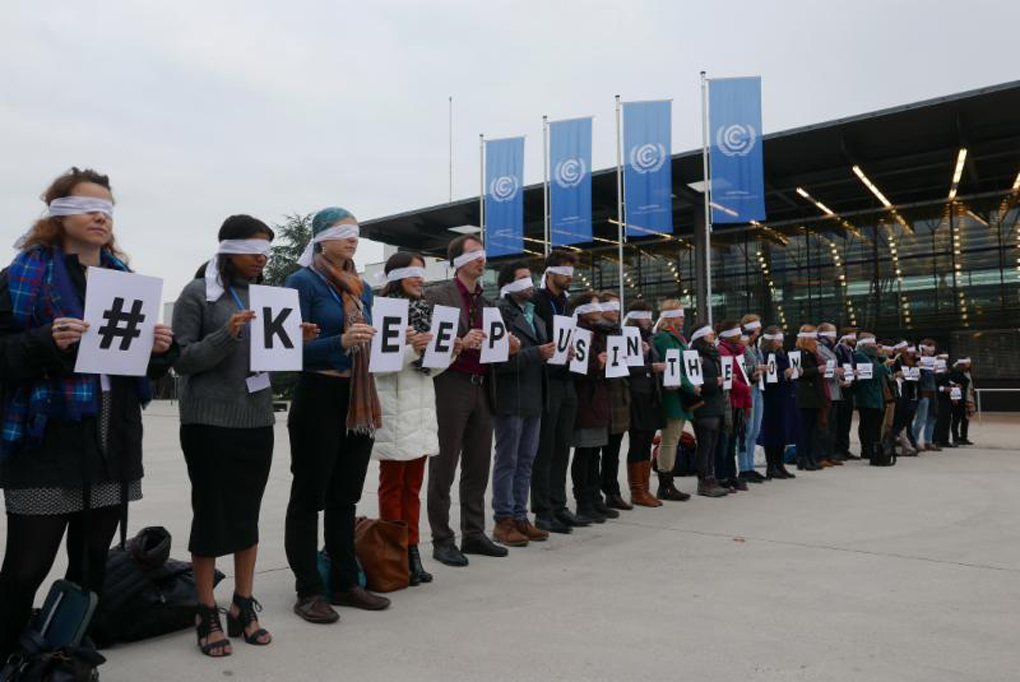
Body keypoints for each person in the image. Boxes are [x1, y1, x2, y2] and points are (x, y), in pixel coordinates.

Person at [0, 168, 176, 660]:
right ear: (57, 214)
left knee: (92, 557)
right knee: (26, 565)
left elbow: (135, 364)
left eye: (107, 209)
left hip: (111, 432)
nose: (100, 216)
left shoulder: (124, 281)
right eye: (86, 207)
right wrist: (42, 342)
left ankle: (70, 649)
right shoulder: (19, 278)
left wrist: (162, 349)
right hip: (46, 437)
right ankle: (5, 650)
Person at [174, 215, 318, 655]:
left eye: (267, 252)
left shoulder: (268, 298)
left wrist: (298, 340)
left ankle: (242, 603)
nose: (261, 258)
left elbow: (268, 362)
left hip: (256, 419)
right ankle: (205, 609)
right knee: (212, 514)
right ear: (226, 248)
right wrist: (226, 333)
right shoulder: (198, 293)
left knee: (247, 514)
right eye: (254, 249)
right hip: (208, 422)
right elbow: (182, 360)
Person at [285, 207, 390, 624]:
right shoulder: (302, 282)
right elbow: (287, 350)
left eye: (356, 233)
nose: (353, 239)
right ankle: (308, 589)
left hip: (357, 393)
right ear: (320, 238)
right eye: (342, 232)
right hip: (318, 392)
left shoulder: (363, 288)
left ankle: (346, 582)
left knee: (345, 495)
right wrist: (339, 341)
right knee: (309, 495)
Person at [426, 235, 520, 567]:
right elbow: (429, 342)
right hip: (450, 383)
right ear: (456, 261)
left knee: (479, 464)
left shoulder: (488, 304)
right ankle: (442, 538)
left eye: (483, 254)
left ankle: (474, 532)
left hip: (483, 385)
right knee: (444, 464)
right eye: (474, 254)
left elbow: (493, 350)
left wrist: (508, 346)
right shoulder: (438, 295)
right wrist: (459, 342)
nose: (482, 259)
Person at [372, 252, 446, 586]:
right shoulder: (381, 311)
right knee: (392, 487)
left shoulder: (427, 313)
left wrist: (450, 350)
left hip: (421, 406)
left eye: (422, 273)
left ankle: (412, 550)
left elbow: (434, 369)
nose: (420, 279)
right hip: (394, 407)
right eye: (413, 273)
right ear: (396, 276)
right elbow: (380, 365)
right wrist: (413, 349)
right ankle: (394, 554)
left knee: (412, 488)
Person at [491, 262, 553, 547]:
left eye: (531, 277)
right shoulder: (499, 314)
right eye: (522, 278)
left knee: (526, 460)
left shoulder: (536, 317)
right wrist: (536, 354)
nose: (530, 282)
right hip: (511, 397)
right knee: (508, 460)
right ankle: (503, 519)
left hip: (533, 397)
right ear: (508, 284)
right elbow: (498, 362)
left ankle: (519, 515)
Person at [531, 250, 580, 533]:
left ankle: (559, 504)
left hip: (566, 378)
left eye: (572, 272)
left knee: (562, 447)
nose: (569, 277)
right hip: (547, 380)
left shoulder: (565, 303)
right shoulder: (538, 302)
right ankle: (542, 509)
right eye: (565, 271)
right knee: (545, 449)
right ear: (549, 272)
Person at [568, 291, 610, 524]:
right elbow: (580, 367)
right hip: (586, 398)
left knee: (595, 453)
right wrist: (599, 363)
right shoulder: (581, 332)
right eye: (595, 305)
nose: (601, 308)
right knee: (585, 452)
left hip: (597, 397)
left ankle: (595, 498)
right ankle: (583, 501)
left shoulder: (597, 331)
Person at [650, 301, 697, 500]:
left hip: (679, 394)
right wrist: (690, 386)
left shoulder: (677, 338)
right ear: (669, 317)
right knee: (669, 440)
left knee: (674, 439)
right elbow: (673, 366)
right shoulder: (664, 338)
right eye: (679, 315)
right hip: (672, 395)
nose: (682, 319)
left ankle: (668, 482)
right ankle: (665, 484)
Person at [621, 300, 666, 507]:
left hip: (650, 394)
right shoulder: (627, 336)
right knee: (638, 441)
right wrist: (650, 365)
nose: (649, 319)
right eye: (644, 315)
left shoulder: (649, 337)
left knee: (646, 441)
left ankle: (645, 487)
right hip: (636, 394)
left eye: (650, 315)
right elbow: (626, 368)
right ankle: (637, 490)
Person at [688, 325, 730, 497]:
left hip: (715, 404)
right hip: (703, 406)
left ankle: (710, 477)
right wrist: (715, 381)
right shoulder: (697, 356)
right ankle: (703, 480)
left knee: (712, 444)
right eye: (709, 333)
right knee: (705, 444)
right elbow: (695, 380)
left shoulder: (712, 354)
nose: (713, 335)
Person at [716, 321, 751, 489]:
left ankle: (732, 475)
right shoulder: (723, 351)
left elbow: (742, 376)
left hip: (739, 400)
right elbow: (730, 379)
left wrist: (747, 400)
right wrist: (746, 389)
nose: (740, 336)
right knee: (725, 441)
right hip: (729, 401)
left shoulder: (739, 351)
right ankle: (723, 475)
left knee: (732, 441)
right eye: (737, 333)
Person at [758, 327, 795, 479]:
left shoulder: (781, 353)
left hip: (783, 395)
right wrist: (783, 375)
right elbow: (769, 378)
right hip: (771, 397)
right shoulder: (766, 355)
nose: (781, 342)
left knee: (781, 431)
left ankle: (779, 464)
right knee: (772, 432)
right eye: (778, 340)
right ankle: (771, 465)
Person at [793, 325, 831, 470]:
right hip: (805, 395)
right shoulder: (800, 352)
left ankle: (809, 456)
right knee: (805, 429)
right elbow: (799, 372)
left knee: (812, 429)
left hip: (814, 394)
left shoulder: (812, 353)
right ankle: (802, 457)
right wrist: (817, 370)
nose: (815, 340)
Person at [854, 333, 890, 464]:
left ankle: (875, 449)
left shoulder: (873, 356)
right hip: (867, 394)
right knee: (868, 424)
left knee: (876, 424)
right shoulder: (860, 355)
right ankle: (867, 449)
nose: (875, 345)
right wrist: (885, 364)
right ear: (865, 343)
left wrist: (882, 356)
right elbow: (873, 372)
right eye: (873, 343)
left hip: (876, 394)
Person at [739, 315, 766, 483]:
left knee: (755, 431)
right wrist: (754, 368)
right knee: (746, 431)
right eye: (757, 326)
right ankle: (744, 467)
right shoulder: (743, 343)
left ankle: (750, 466)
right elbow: (740, 366)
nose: (759, 329)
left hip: (758, 389)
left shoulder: (757, 346)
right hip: (748, 389)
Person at [816, 323, 847, 463]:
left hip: (834, 390)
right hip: (826, 391)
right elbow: (824, 370)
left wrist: (839, 376)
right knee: (824, 425)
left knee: (832, 425)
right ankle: (822, 454)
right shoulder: (819, 348)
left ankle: (830, 453)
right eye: (833, 333)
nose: (835, 337)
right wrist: (836, 372)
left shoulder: (830, 349)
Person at [834, 328, 859, 459]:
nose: (855, 339)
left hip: (849, 387)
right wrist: (840, 380)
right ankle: (838, 449)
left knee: (847, 421)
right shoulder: (838, 349)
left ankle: (845, 448)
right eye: (852, 336)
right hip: (840, 388)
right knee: (840, 420)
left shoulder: (850, 351)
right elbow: (835, 367)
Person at [890, 342, 919, 456]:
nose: (907, 349)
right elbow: (891, 374)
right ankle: (897, 446)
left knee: (904, 421)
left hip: (908, 392)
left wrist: (916, 374)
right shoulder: (896, 359)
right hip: (899, 393)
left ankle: (906, 445)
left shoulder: (906, 359)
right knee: (896, 422)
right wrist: (897, 374)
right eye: (905, 347)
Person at [912, 339, 939, 451]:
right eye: (929, 348)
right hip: (923, 392)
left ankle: (928, 441)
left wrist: (940, 371)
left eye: (933, 348)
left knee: (932, 417)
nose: (932, 351)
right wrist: (921, 368)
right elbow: (917, 378)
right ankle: (914, 440)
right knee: (921, 418)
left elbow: (937, 378)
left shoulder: (935, 360)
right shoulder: (917, 360)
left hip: (932, 391)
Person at [949, 358, 974, 445]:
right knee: (956, 419)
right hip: (959, 398)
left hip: (968, 398)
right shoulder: (956, 372)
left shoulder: (968, 372)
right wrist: (954, 398)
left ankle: (964, 437)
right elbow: (953, 385)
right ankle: (955, 438)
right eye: (967, 362)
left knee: (966, 418)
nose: (969, 364)